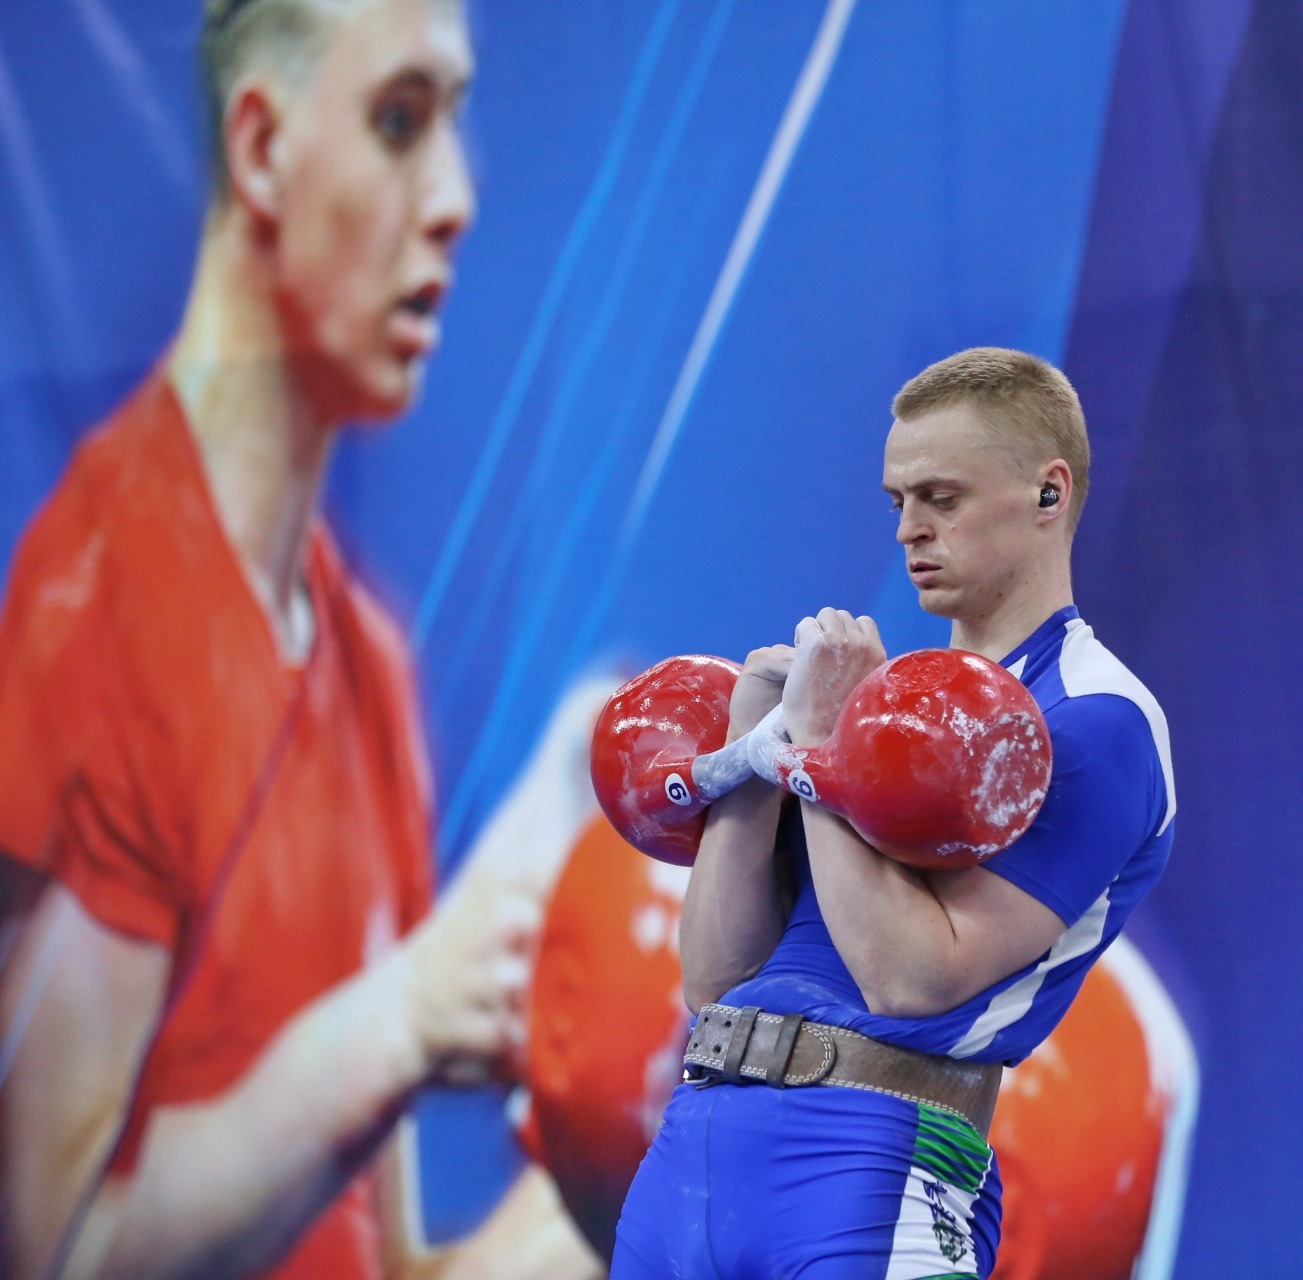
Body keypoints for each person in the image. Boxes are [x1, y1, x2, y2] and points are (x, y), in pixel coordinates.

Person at [0, 1, 598, 1276]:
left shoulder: (366, 664)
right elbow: (47, 1253)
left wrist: (674, 1149)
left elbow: (390, 1268)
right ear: (262, 152)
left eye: (453, 120)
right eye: (399, 121)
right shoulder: (94, 612)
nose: (456, 200)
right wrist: (400, 1018)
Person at [613, 347, 1178, 1278]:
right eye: (896, 501)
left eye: (941, 499)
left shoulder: (1097, 720)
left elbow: (912, 979)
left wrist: (821, 748)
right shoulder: (880, 707)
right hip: (694, 1154)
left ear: (1049, 493)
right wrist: (759, 758)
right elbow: (716, 981)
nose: (909, 529)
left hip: (868, 1166)